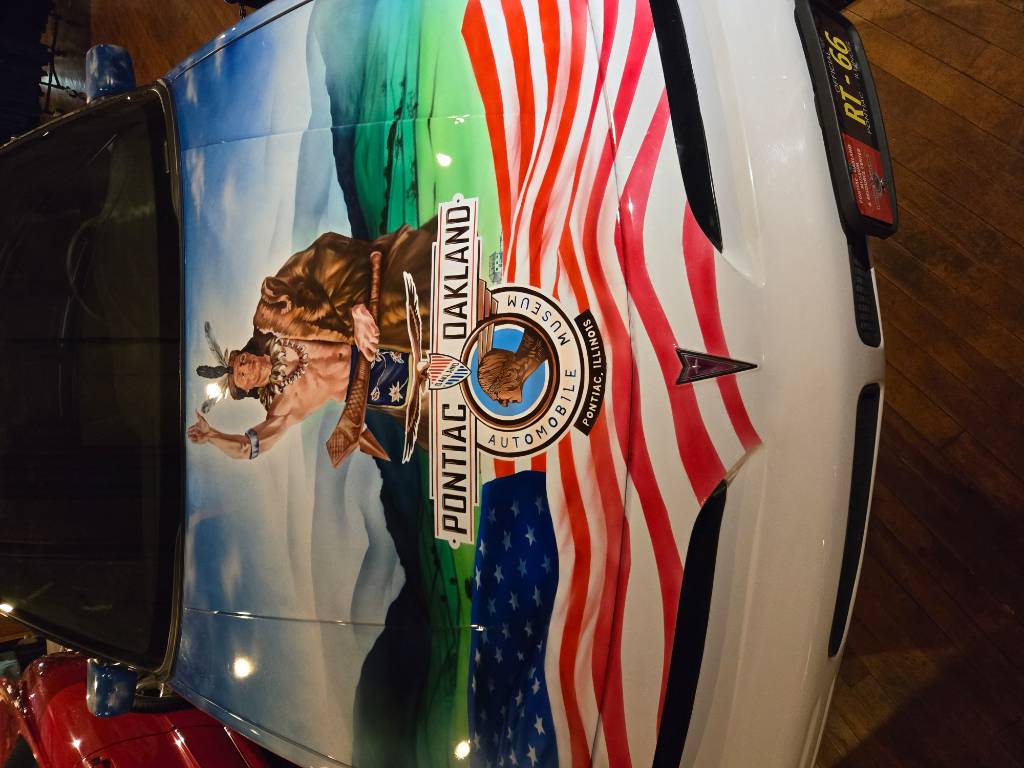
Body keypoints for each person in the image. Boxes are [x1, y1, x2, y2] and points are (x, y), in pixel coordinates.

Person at [188, 220, 434, 461]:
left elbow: (321, 264)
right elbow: (247, 448)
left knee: (434, 308)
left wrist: (356, 312)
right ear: (248, 388)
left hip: (384, 340)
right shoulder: (282, 406)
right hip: (383, 390)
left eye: (241, 360)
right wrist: (212, 436)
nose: (245, 366)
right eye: (241, 375)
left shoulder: (281, 325)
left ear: (247, 352)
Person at [475, 325, 549, 407]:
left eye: (499, 399)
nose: (504, 405)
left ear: (509, 374)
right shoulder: (545, 347)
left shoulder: (538, 333)